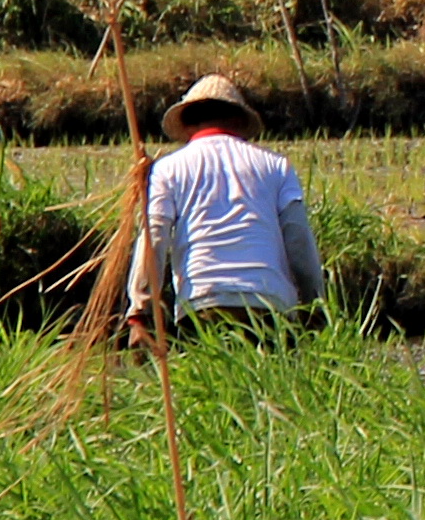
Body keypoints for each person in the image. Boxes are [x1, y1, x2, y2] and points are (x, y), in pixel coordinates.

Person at [121, 73, 325, 335]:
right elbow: (298, 241)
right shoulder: (276, 166)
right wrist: (315, 305)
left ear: (187, 123)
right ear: (239, 120)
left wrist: (141, 310)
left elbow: (154, 239)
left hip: (203, 302)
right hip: (269, 304)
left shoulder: (168, 169)